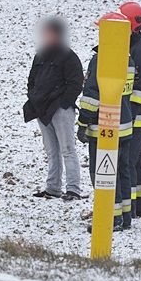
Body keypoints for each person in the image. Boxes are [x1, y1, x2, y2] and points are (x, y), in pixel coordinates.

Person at [77, 12, 135, 231]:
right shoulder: (128, 58)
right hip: (125, 124)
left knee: (102, 173)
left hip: (104, 127)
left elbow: (92, 95)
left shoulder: (101, 58)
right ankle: (125, 216)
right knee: (121, 172)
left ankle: (111, 218)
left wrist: (83, 122)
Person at [23, 16, 84, 201]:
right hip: (41, 110)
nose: (47, 36)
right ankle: (53, 188)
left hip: (60, 110)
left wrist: (64, 103)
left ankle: (73, 189)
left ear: (58, 34)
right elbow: (32, 80)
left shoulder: (69, 57)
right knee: (51, 151)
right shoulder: (40, 55)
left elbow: (76, 83)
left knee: (67, 149)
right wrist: (34, 98)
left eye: (50, 33)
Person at [119, 1, 141, 218]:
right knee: (138, 162)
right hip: (138, 117)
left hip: (137, 117)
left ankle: (129, 209)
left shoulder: (140, 50)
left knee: (129, 163)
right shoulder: (135, 46)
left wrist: (129, 112)